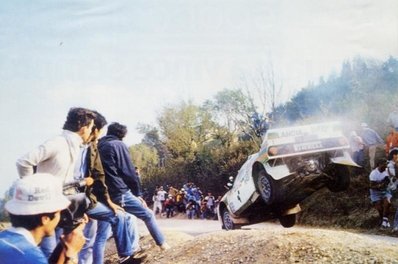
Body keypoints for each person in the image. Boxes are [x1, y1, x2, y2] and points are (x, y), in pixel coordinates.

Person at [16, 108, 137, 263]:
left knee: (64, 249)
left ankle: (126, 257)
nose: (94, 131)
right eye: (92, 127)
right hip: (46, 208)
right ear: (84, 128)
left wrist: (77, 209)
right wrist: (33, 191)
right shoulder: (57, 143)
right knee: (50, 252)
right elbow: (24, 162)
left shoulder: (75, 145)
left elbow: (64, 182)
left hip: (63, 206)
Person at [98, 122, 170, 251]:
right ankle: (162, 244)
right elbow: (128, 172)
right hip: (118, 191)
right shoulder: (118, 145)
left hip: (102, 193)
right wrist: (138, 194)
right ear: (122, 135)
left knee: (102, 233)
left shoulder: (98, 145)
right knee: (147, 214)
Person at [0, 173, 86, 264]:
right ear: (45, 219)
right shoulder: (31, 257)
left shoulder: (4, 240)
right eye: (59, 212)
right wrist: (72, 255)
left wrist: (65, 248)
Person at [369, 158, 392, 228]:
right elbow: (372, 186)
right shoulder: (373, 173)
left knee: (387, 203)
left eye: (386, 164)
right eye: (384, 164)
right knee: (379, 208)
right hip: (375, 192)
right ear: (379, 165)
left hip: (385, 190)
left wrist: (387, 181)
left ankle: (384, 221)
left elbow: (388, 180)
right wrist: (380, 185)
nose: (385, 166)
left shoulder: (386, 171)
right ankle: (383, 220)